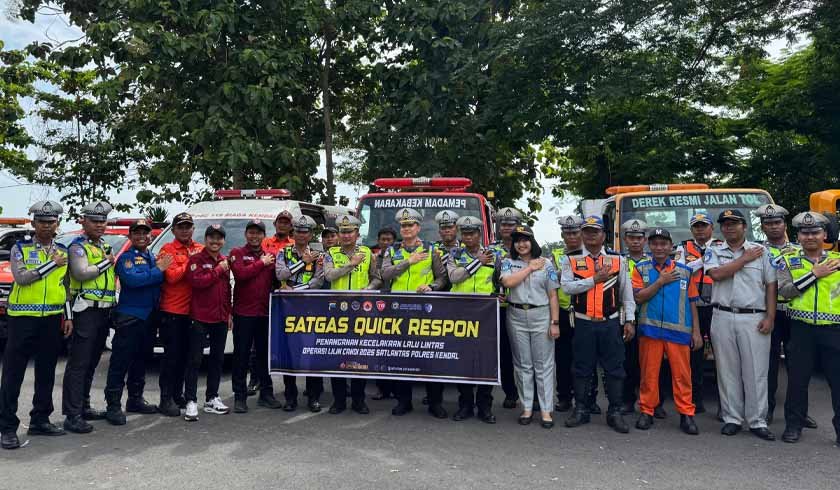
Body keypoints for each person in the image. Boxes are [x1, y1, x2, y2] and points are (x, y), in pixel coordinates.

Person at [0, 201, 72, 449]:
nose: (47, 226)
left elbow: (65, 286)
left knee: (46, 371)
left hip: (51, 318)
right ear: (33, 223)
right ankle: (7, 427)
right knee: (13, 374)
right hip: (22, 318)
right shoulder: (20, 248)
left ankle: (40, 419)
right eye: (42, 221)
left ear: (57, 224)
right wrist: (51, 264)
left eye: (51, 222)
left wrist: (68, 316)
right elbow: (22, 278)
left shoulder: (62, 250)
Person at [705, 209, 777, 441]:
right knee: (727, 371)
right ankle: (732, 418)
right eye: (725, 224)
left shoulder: (761, 251)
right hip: (722, 315)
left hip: (753, 317)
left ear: (744, 227)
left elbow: (771, 285)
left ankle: (757, 421)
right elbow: (716, 274)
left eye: (734, 223)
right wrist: (744, 259)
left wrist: (770, 317)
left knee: (756, 372)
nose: (729, 227)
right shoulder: (714, 250)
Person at [561, 216, 635, 434]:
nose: (591, 235)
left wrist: (630, 320)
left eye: (595, 231)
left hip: (610, 323)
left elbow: (627, 293)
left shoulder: (618, 259)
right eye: (587, 231)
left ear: (604, 235)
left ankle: (615, 412)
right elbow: (566, 288)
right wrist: (593, 280)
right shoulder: (571, 259)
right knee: (581, 368)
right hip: (583, 323)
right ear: (582, 235)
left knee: (615, 368)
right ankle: (581, 410)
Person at [631, 228, 702, 435]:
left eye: (663, 244)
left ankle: (686, 414)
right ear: (649, 246)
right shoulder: (641, 269)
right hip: (650, 331)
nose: (659, 248)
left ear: (671, 246)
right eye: (655, 243)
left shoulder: (685, 271)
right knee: (649, 374)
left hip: (679, 332)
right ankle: (647, 411)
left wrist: (696, 332)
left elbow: (692, 303)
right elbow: (638, 297)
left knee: (682, 376)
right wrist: (660, 281)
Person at [777, 212, 840, 445]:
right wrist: (814, 274)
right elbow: (785, 291)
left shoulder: (837, 260)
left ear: (824, 235)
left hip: (834, 330)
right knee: (797, 381)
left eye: (815, 232)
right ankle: (794, 425)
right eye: (805, 233)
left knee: (838, 382)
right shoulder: (788, 260)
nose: (810, 236)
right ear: (798, 236)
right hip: (801, 329)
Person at [381, 208, 448, 418]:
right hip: (398, 310)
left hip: (425, 310)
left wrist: (431, 287)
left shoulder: (431, 249)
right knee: (401, 357)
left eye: (410, 225)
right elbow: (385, 274)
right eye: (403, 225)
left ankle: (435, 402)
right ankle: (404, 401)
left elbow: (442, 278)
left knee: (429, 356)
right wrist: (408, 261)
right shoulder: (391, 250)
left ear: (418, 227)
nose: (406, 229)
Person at [103, 219, 171, 426]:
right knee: (120, 362)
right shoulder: (126, 258)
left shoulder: (151, 256)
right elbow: (134, 281)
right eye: (137, 233)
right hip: (130, 317)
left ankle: (135, 399)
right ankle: (113, 405)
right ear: (130, 236)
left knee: (141, 360)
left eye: (145, 233)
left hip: (149, 317)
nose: (142, 236)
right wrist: (158, 270)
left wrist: (156, 270)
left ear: (151, 236)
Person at [754, 204, 816, 429]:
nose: (773, 226)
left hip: (795, 313)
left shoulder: (799, 250)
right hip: (768, 312)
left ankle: (800, 413)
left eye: (777, 222)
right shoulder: (756, 251)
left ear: (785, 225)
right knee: (768, 365)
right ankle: (767, 409)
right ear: (762, 227)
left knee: (798, 367)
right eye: (768, 223)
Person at [500, 225, 561, 429]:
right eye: (517, 241)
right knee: (523, 364)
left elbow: (553, 295)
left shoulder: (547, 264)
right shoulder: (508, 262)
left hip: (541, 315)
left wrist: (555, 323)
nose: (521, 244)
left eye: (525, 240)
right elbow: (508, 282)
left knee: (543, 365)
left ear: (532, 242)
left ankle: (546, 410)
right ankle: (526, 407)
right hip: (516, 315)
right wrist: (529, 268)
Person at [63, 200, 116, 434]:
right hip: (84, 311)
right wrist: (106, 263)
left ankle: (83, 406)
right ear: (83, 221)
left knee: (92, 361)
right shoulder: (77, 247)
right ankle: (72, 414)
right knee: (79, 364)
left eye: (103, 221)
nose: (99, 225)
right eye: (94, 221)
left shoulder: (104, 245)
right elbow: (81, 273)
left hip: (103, 310)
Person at [322, 215, 382, 414]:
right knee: (337, 356)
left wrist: (369, 288)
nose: (346, 235)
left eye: (350, 232)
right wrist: (351, 264)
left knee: (359, 357)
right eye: (343, 232)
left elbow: (376, 278)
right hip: (337, 313)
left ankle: (358, 400)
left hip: (361, 312)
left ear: (357, 233)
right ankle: (338, 400)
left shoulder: (367, 252)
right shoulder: (331, 253)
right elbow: (329, 275)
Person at [447, 215, 500, 424]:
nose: (468, 237)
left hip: (486, 314)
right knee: (463, 360)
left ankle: (485, 406)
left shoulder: (494, 254)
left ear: (480, 234)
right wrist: (478, 262)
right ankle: (465, 405)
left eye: (472, 233)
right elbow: (454, 277)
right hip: (461, 312)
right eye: (465, 233)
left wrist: (501, 294)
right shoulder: (455, 254)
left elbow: (499, 280)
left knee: (486, 360)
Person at [229, 219, 283, 414]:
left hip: (264, 313)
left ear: (263, 236)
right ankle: (240, 396)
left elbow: (278, 281)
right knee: (241, 356)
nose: (254, 236)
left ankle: (266, 394)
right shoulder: (237, 253)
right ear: (246, 234)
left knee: (264, 356)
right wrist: (261, 263)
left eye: (258, 233)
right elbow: (241, 275)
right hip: (244, 314)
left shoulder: (271, 256)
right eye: (251, 232)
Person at [276, 215, 326, 412]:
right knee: (289, 352)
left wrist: (294, 289)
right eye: (298, 231)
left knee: (312, 353)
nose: (302, 235)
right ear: (293, 232)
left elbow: (318, 281)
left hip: (310, 308)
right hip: (288, 309)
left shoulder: (319, 254)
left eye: (305, 232)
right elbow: (280, 274)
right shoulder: (284, 252)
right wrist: (302, 262)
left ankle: (314, 397)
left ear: (311, 234)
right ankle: (290, 398)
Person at [156, 212, 203, 416]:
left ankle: (177, 394)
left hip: (194, 312)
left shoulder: (200, 247)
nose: (185, 230)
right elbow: (172, 277)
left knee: (186, 357)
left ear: (193, 229)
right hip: (173, 311)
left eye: (188, 226)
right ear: (173, 230)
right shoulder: (167, 249)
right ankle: (165, 399)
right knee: (171, 358)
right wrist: (191, 262)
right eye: (180, 227)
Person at [674, 213, 722, 414]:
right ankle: (695, 399)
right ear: (691, 229)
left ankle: (724, 404)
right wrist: (704, 261)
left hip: (716, 306)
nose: (700, 229)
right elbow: (680, 270)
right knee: (694, 355)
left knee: (721, 356)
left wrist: (703, 262)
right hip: (692, 306)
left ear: (712, 228)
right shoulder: (683, 247)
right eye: (696, 226)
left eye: (704, 225)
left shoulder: (721, 246)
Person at [184, 224, 232, 422]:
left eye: (219, 238)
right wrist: (217, 270)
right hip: (200, 317)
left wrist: (229, 313)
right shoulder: (196, 259)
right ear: (205, 239)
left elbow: (227, 290)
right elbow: (197, 282)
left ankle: (212, 398)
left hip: (220, 317)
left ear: (223, 241)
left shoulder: (224, 260)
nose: (215, 241)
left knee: (217, 360)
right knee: (195, 360)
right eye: (211, 237)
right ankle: (190, 400)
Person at [489, 207, 524, 409]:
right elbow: (486, 278)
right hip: (499, 308)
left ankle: (532, 396)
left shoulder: (526, 248)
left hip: (523, 307)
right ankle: (511, 393)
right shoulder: (490, 250)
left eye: (511, 224)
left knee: (525, 354)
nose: (506, 227)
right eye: (503, 224)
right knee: (504, 353)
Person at [620, 219, 647, 416]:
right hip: (626, 317)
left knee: (650, 363)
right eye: (631, 238)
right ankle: (628, 400)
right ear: (625, 240)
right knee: (627, 361)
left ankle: (654, 402)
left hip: (649, 316)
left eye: (639, 238)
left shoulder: (654, 261)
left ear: (645, 240)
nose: (635, 241)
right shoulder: (619, 261)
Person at [372, 226, 397, 401]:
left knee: (396, 349)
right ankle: (382, 388)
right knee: (380, 349)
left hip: (397, 305)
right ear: (378, 241)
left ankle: (397, 388)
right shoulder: (374, 258)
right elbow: (374, 279)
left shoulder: (398, 256)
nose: (386, 242)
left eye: (389, 240)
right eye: (383, 239)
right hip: (378, 306)